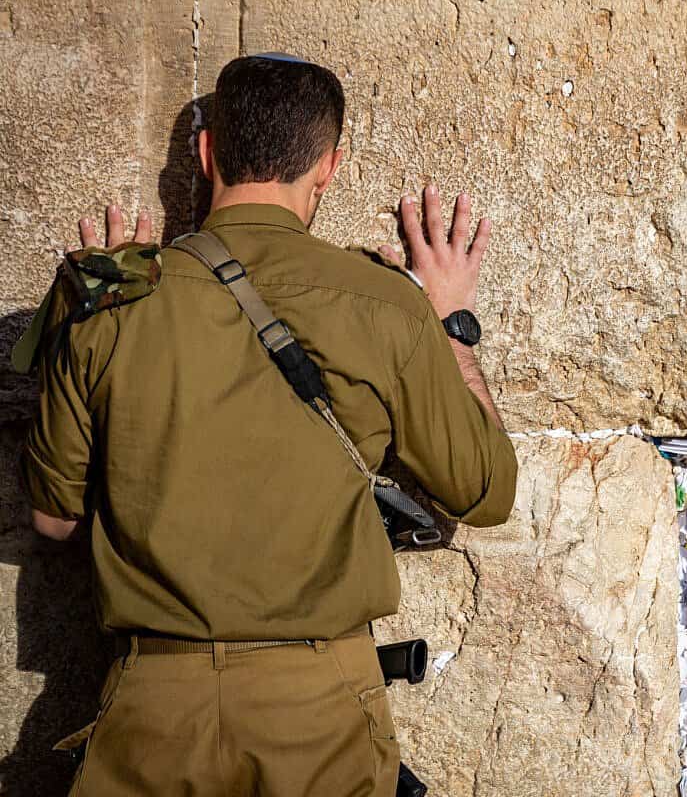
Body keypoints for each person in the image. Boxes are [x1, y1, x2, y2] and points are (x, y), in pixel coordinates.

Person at [17, 53, 519, 795]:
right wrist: (450, 324)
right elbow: (486, 491)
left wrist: (96, 300)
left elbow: (53, 520)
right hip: (318, 712)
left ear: (206, 152)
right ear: (329, 167)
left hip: (154, 710)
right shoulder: (385, 305)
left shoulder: (108, 298)